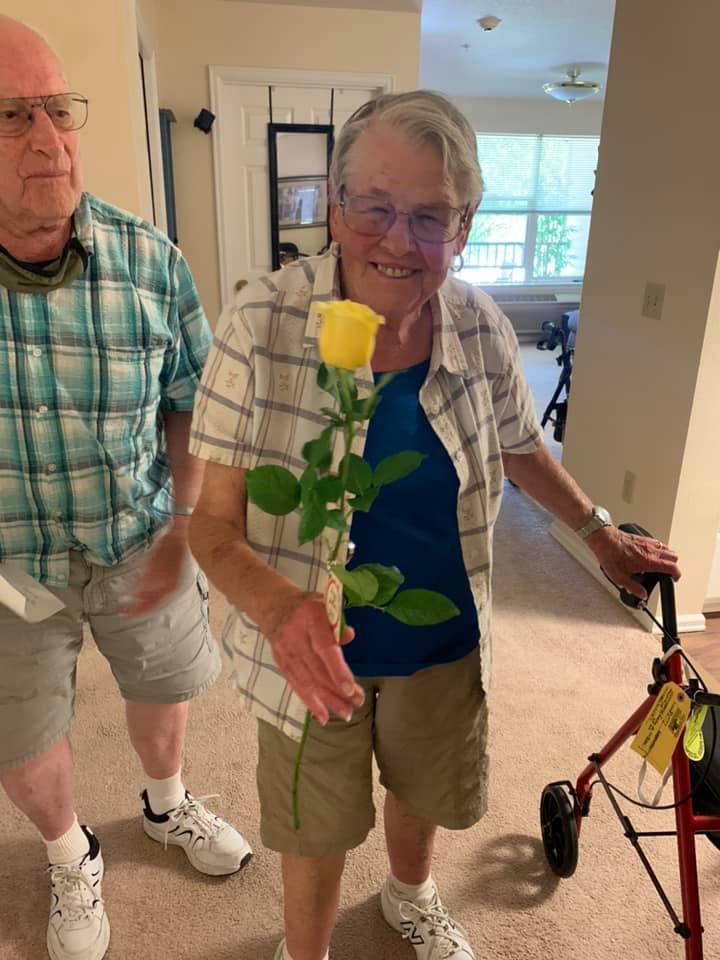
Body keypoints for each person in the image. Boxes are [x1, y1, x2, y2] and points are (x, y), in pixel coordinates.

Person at [188, 91, 681, 960]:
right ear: (336, 205)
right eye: (374, 206)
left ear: (464, 226)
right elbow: (212, 527)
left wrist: (600, 533)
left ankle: (408, 895)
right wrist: (276, 607)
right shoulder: (259, 326)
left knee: (423, 787)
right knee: (315, 826)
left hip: (443, 634)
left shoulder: (480, 327)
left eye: (430, 216)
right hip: (311, 648)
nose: (396, 238)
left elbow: (524, 450)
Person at [0, 18, 251, 960]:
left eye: (59, 109)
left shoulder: (152, 261)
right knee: (18, 733)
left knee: (166, 682)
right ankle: (70, 856)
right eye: (14, 115)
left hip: (141, 530)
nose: (48, 138)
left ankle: (166, 804)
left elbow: (195, 402)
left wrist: (186, 519)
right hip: (7, 564)